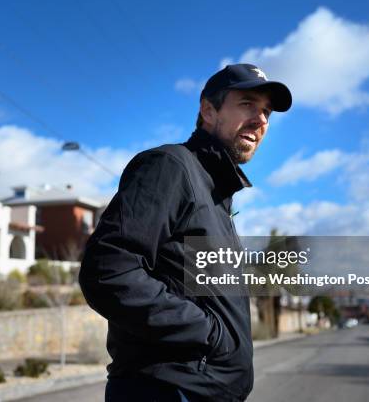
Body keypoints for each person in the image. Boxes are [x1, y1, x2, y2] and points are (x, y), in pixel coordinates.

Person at [79, 64, 292, 402]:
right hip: (167, 391)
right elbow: (108, 270)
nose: (261, 119)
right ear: (209, 110)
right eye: (248, 104)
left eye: (266, 111)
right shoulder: (171, 167)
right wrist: (210, 334)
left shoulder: (215, 195)